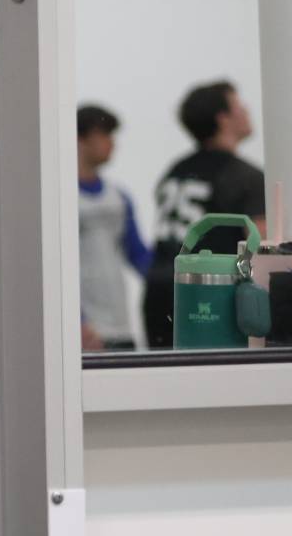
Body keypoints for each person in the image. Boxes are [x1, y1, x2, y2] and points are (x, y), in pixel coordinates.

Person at [141, 81, 266, 350]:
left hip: (158, 289)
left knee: (166, 370)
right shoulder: (245, 176)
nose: (247, 110)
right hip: (207, 293)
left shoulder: (175, 170)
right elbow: (261, 247)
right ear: (223, 118)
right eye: (239, 105)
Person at [75, 104, 152, 351]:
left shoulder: (119, 198)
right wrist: (77, 321)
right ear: (80, 139)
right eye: (104, 134)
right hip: (85, 333)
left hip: (121, 327)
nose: (112, 143)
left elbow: (139, 255)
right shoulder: (61, 201)